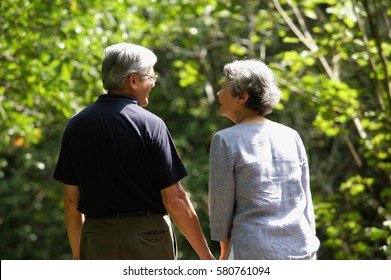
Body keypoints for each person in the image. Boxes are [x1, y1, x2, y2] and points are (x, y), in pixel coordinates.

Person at [53, 42, 214, 260]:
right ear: (133, 80)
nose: (154, 83)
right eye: (151, 77)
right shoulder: (151, 125)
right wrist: (207, 258)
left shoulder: (76, 125)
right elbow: (174, 198)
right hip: (149, 239)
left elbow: (71, 201)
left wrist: (77, 254)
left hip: (96, 239)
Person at [208, 59, 320, 260]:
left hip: (253, 252)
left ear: (242, 97)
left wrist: (224, 250)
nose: (218, 93)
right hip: (301, 250)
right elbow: (305, 200)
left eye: (223, 88)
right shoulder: (291, 135)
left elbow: (220, 207)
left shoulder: (225, 140)